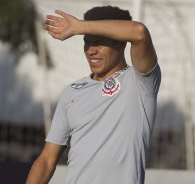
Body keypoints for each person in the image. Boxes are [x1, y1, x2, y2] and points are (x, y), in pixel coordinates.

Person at [26, 6, 161, 184]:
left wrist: (79, 27)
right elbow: (46, 160)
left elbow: (139, 32)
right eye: (87, 42)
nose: (91, 50)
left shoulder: (140, 81)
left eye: (99, 42)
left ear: (121, 43)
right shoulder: (72, 91)